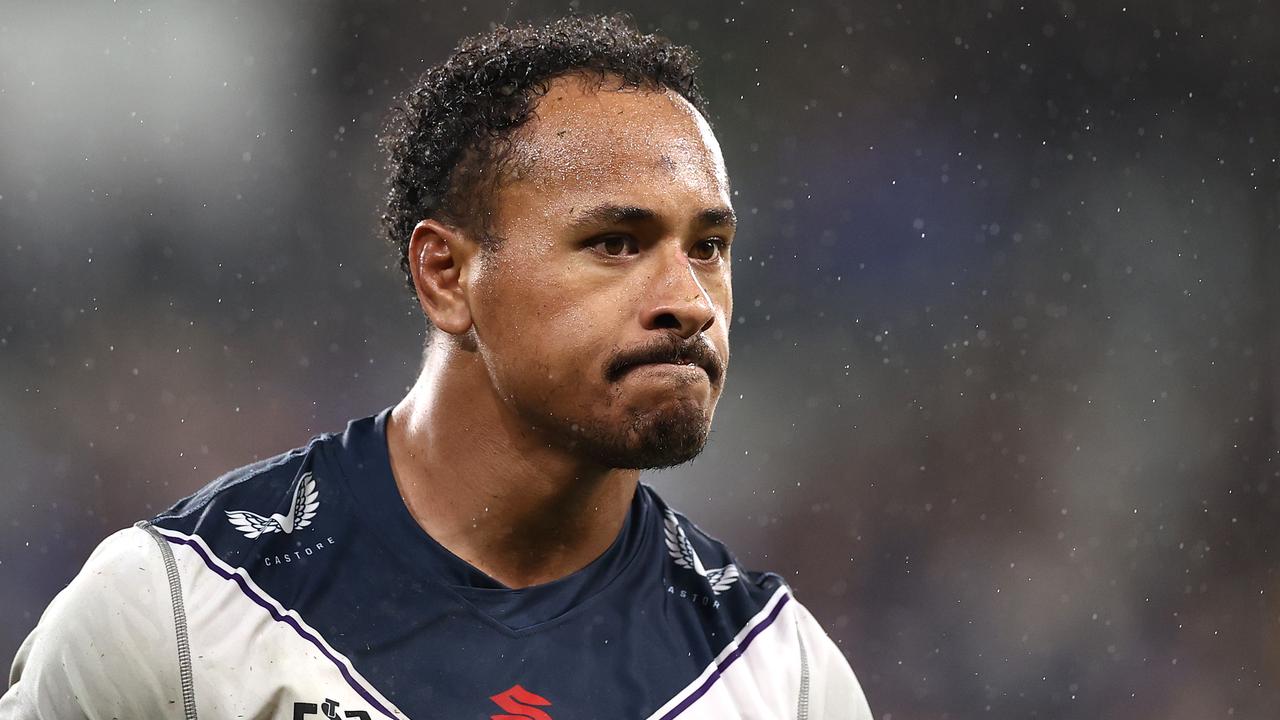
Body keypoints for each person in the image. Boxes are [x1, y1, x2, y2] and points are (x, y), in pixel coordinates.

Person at [1, 14, 872, 720]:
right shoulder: (178, 612)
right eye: (615, 242)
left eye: (709, 246)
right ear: (446, 276)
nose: (690, 299)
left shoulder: (778, 673)